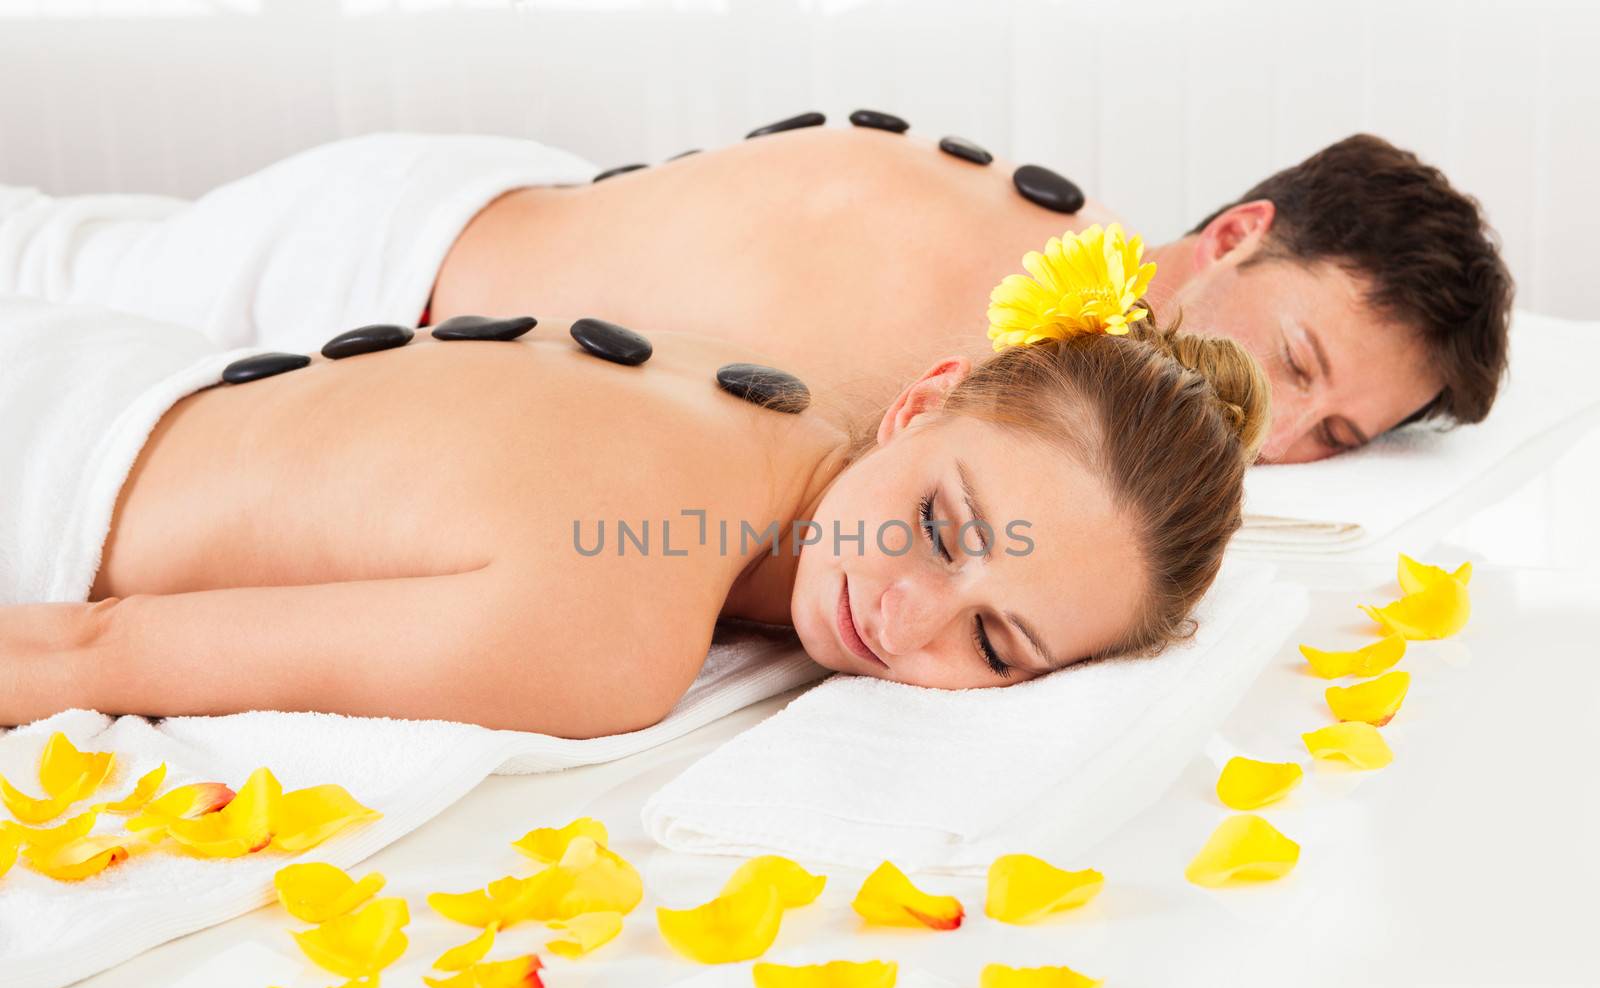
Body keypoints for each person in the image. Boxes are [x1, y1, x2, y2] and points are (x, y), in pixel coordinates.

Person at [0, 227, 1270, 738]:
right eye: (941, 525)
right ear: (923, 397)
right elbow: (86, 653)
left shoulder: (766, 399)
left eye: (995, 644)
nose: (908, 615)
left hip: (109, 365)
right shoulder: (615, 622)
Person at [0, 124, 1510, 465]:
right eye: (1301, 362)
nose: (1278, 430)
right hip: (396, 256)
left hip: (562, 224)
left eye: (1335, 436)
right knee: (45, 268)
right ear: (1239, 231)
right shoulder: (1017, 295)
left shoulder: (1112, 336)